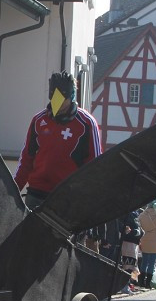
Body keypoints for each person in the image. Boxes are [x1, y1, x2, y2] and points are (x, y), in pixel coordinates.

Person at [13, 71, 102, 209]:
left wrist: (90, 200)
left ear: (71, 97)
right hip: (36, 194)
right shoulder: (38, 120)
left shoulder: (87, 123)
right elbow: (26, 161)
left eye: (61, 100)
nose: (57, 105)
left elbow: (95, 166)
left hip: (68, 197)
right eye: (54, 99)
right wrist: (11, 191)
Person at [138, 201, 156, 288]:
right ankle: (148, 283)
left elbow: (139, 226)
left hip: (144, 238)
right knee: (152, 262)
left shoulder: (142, 216)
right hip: (155, 240)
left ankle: (141, 281)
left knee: (144, 261)